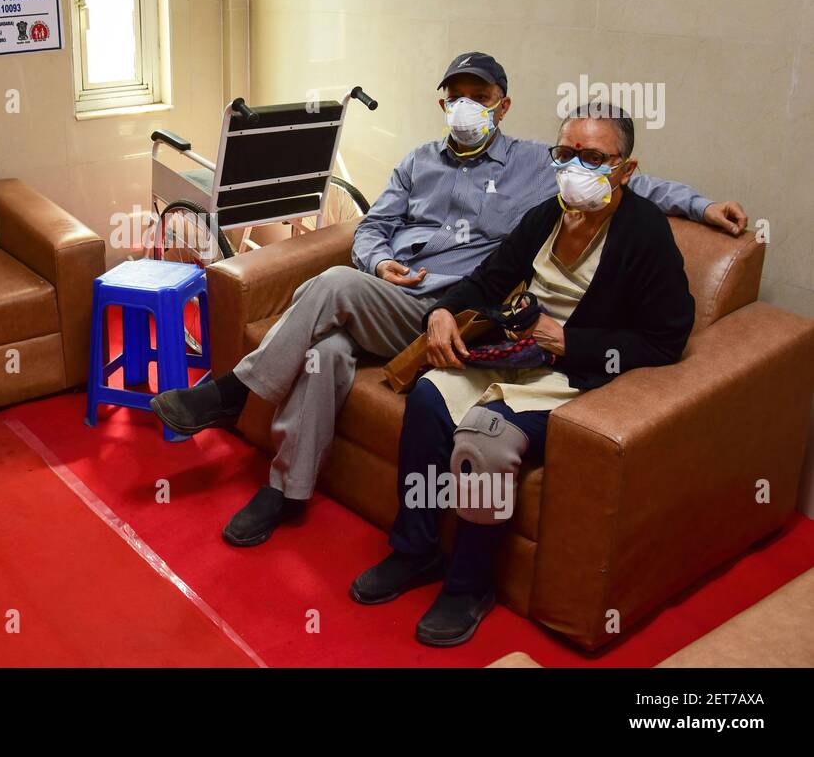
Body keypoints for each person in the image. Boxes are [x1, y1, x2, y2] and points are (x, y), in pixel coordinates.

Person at [149, 52, 745, 547]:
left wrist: (702, 206)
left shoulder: (543, 165)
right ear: (442, 104)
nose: (465, 107)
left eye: (478, 96)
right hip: (392, 295)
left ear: (502, 105)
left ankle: (232, 393)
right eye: (454, 96)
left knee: (329, 287)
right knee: (325, 351)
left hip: (451, 307)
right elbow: (370, 227)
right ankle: (285, 491)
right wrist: (379, 260)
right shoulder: (417, 163)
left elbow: (625, 178)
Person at [350, 102, 694, 646]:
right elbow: (487, 281)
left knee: (484, 439)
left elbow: (667, 339)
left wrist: (573, 341)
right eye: (565, 154)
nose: (576, 168)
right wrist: (440, 311)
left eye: (593, 158)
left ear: (625, 169)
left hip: (573, 375)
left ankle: (469, 585)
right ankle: (415, 550)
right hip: (512, 355)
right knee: (429, 397)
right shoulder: (546, 216)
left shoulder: (644, 233)